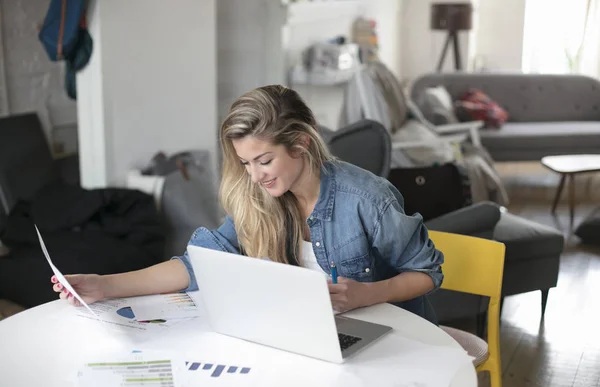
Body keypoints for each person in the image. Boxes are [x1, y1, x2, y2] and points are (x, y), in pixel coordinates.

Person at [51, 85, 444, 324]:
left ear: (301, 143)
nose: (254, 176)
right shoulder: (261, 198)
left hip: (388, 337)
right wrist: (105, 285)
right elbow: (198, 266)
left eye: (264, 160)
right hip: (310, 335)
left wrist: (364, 294)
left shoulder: (367, 199)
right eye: (245, 163)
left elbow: (427, 272)